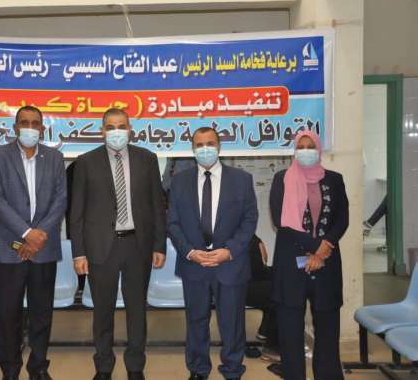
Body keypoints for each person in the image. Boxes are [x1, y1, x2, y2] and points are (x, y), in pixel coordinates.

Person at [70, 108, 166, 380]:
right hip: (101, 247)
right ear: (102, 131)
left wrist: (159, 245)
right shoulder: (85, 162)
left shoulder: (147, 159)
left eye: (121, 126)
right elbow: (76, 212)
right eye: (110, 127)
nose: (116, 132)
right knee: (102, 311)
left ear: (130, 129)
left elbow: (158, 206)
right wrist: (79, 252)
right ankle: (103, 366)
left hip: (138, 245)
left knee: (137, 311)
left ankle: (135, 366)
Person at [167, 127, 258, 380]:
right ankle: (198, 369)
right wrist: (189, 252)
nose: (205, 149)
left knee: (232, 322)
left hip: (230, 263)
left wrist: (229, 251)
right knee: (196, 321)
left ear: (219, 147)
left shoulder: (242, 179)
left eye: (210, 143)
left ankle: (232, 369)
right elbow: (172, 223)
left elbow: (250, 220)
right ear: (192, 149)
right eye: (199, 145)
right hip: (194, 263)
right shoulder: (179, 181)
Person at [0, 106, 67, 380]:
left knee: (41, 312)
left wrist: (38, 234)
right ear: (15, 127)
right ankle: (9, 369)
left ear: (42, 129)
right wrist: (27, 232)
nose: (30, 127)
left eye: (35, 123)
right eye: (24, 122)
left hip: (43, 246)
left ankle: (38, 366)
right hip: (9, 246)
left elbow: (60, 200)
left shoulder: (55, 158)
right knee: (8, 313)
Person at [269, 130, 348, 380]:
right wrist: (316, 246)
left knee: (327, 328)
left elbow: (342, 219)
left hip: (326, 262)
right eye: (300, 147)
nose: (305, 151)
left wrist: (324, 249)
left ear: (319, 149)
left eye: (310, 146)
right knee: (290, 331)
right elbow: (281, 222)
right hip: (291, 265)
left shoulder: (334, 179)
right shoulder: (282, 179)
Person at [245, 234, 279, 356]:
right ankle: (272, 346)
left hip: (248, 280)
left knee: (279, 282)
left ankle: (265, 331)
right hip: (241, 286)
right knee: (281, 293)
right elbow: (259, 268)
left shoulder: (250, 236)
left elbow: (261, 265)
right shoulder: (247, 238)